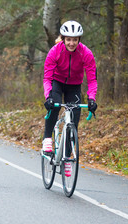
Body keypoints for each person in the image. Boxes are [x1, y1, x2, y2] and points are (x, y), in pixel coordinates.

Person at [42, 20, 98, 152]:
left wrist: (92, 99)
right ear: (62, 39)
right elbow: (47, 78)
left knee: (74, 117)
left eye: (75, 40)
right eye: (68, 40)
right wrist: (48, 96)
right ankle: (47, 138)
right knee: (54, 105)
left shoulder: (86, 53)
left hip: (74, 86)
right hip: (57, 82)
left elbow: (92, 80)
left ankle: (67, 157)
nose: (71, 43)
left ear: (79, 39)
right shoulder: (54, 51)